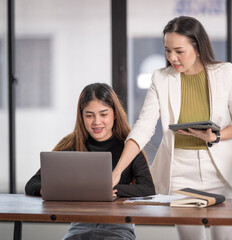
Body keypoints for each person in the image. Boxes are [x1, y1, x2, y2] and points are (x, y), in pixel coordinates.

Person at [112, 16, 232, 240]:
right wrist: (117, 171)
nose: (172, 58)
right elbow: (144, 126)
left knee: (226, 237)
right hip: (179, 172)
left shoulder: (225, 72)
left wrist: (215, 136)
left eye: (179, 51)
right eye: (167, 50)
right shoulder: (161, 78)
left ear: (197, 46)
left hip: (220, 171)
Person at [25, 83, 155, 240]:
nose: (96, 122)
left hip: (118, 227)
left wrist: (110, 191)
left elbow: (148, 189)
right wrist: (57, 190)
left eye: (103, 114)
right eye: (89, 115)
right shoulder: (71, 145)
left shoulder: (129, 147)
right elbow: (32, 184)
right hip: (80, 227)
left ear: (114, 114)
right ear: (82, 116)